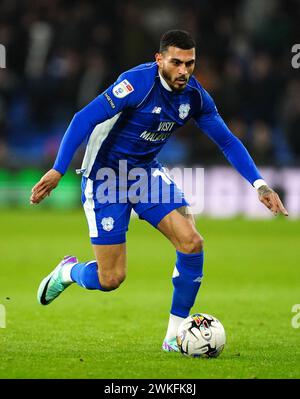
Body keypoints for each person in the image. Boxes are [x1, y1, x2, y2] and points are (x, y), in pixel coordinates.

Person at [30, 30, 288, 352]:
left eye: (190, 63)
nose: (184, 71)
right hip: (105, 178)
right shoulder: (136, 84)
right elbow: (83, 118)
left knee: (192, 242)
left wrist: (259, 184)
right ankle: (67, 272)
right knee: (110, 278)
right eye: (177, 62)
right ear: (159, 59)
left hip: (146, 175)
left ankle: (173, 337)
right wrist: (58, 168)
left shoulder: (194, 97)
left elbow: (227, 141)